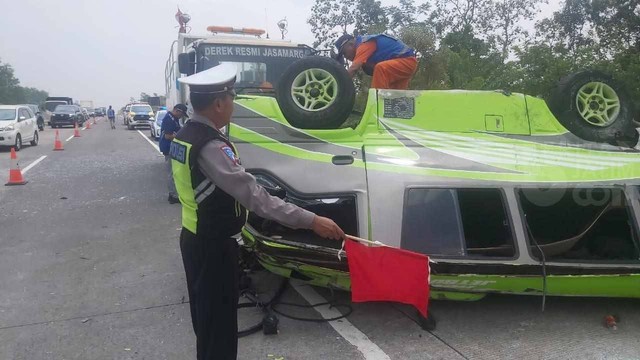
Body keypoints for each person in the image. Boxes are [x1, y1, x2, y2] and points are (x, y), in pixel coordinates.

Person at [170, 63, 345, 360]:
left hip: (194, 239)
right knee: (219, 329)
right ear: (218, 103)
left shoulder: (186, 134)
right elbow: (256, 198)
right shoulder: (211, 146)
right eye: (232, 97)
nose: (234, 104)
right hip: (212, 248)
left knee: (207, 322)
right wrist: (312, 220)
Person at [335, 33, 418, 90]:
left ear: (351, 44)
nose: (346, 57)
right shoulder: (364, 44)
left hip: (406, 61)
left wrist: (337, 84)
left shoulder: (364, 44)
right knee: (396, 97)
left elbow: (353, 69)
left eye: (344, 53)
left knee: (380, 68)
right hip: (400, 66)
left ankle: (377, 103)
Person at [160, 104, 187, 204]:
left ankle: (174, 193)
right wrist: (179, 138)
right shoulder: (169, 119)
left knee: (175, 171)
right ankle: (173, 195)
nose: (181, 116)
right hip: (168, 148)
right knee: (171, 172)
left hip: (172, 147)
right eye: (181, 114)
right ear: (177, 111)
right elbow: (168, 136)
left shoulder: (173, 118)